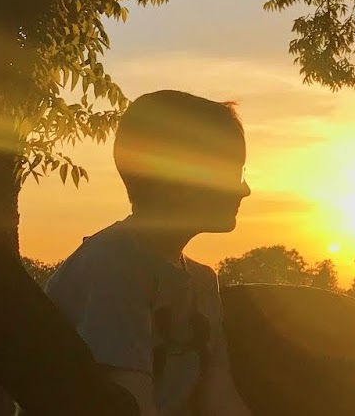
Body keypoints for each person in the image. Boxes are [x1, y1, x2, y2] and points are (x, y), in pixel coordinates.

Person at [45, 90, 253, 416]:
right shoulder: (113, 268)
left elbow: (222, 402)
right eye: (233, 172)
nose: (245, 189)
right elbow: (130, 405)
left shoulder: (201, 283)